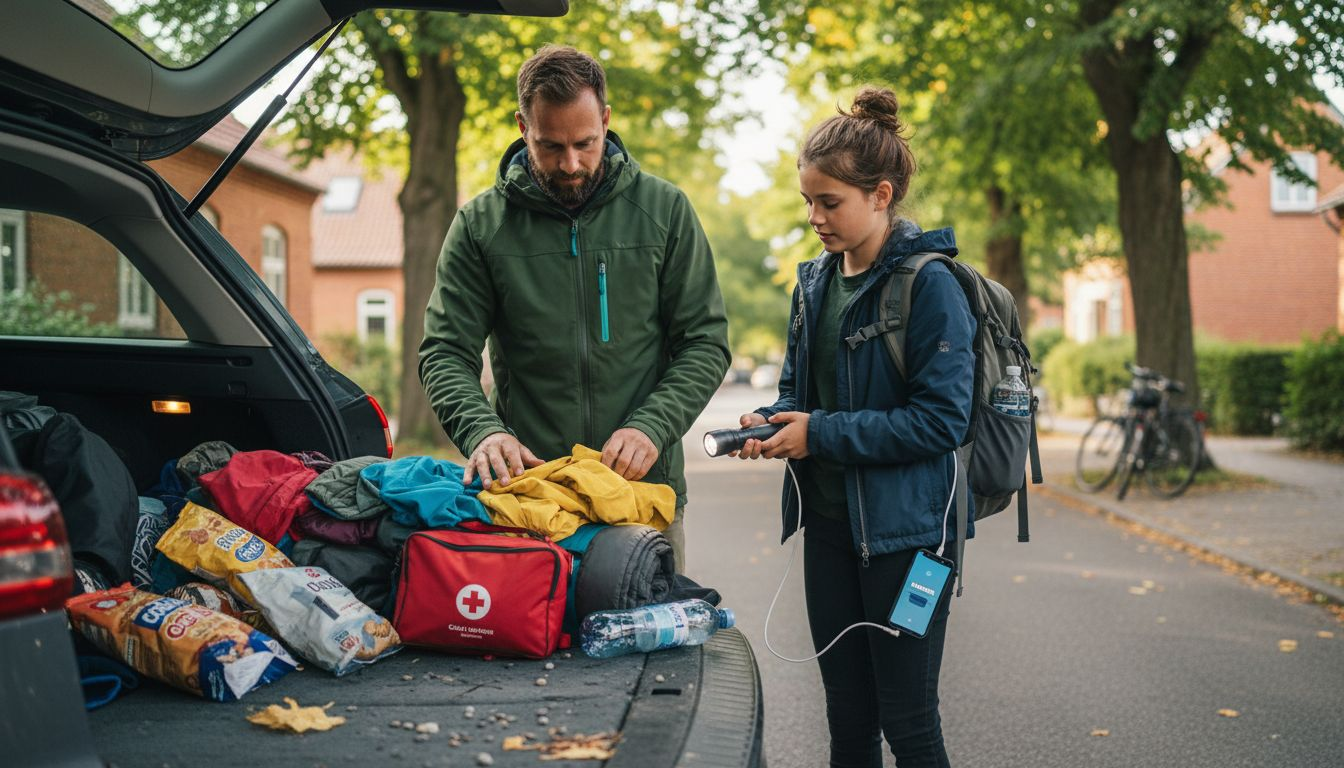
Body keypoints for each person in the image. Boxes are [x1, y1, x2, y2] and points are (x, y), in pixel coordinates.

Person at [418, 45, 730, 573]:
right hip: (532, 498)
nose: (571, 164)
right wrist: (483, 432)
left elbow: (705, 342)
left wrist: (651, 427)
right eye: (550, 146)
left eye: (586, 143)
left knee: (652, 652)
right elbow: (445, 352)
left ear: (605, 119)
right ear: (523, 126)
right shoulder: (479, 225)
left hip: (641, 493)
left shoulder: (664, 210)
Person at [735, 86, 975, 767]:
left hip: (913, 541)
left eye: (829, 202)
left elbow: (940, 421)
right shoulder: (812, 283)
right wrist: (772, 421)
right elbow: (797, 391)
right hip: (831, 534)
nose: (814, 217)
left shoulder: (931, 286)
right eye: (807, 201)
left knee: (909, 720)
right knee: (847, 720)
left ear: (881, 194)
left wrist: (820, 435)